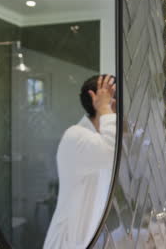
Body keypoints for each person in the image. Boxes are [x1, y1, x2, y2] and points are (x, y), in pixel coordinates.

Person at [43, 75, 117, 249]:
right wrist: (105, 109)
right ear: (96, 100)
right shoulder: (76, 136)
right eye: (110, 97)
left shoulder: (96, 138)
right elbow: (111, 150)